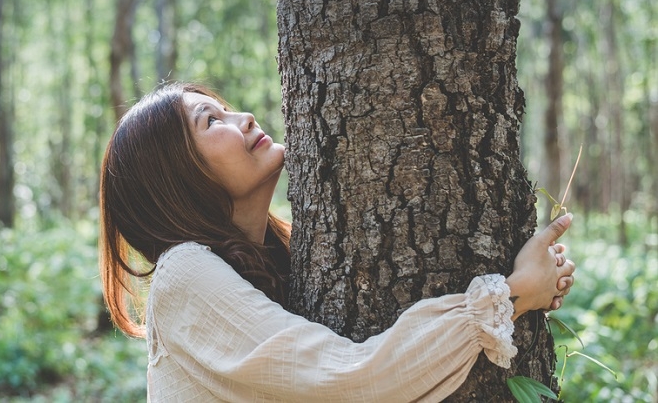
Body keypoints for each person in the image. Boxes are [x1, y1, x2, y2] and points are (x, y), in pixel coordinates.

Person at [99, 82, 576, 402]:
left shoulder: (277, 253)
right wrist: (513, 296)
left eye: (225, 108)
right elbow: (356, 380)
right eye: (210, 120)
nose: (243, 117)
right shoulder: (183, 274)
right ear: (174, 178)